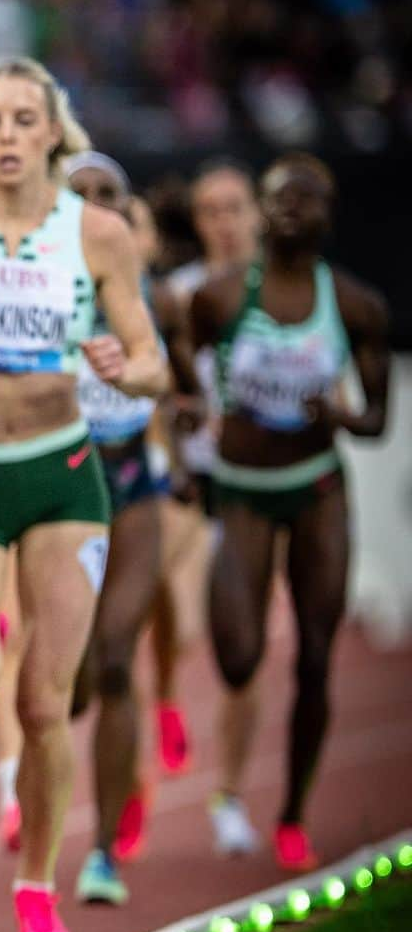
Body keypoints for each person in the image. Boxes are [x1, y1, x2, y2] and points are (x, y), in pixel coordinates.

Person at [0, 58, 167, 932]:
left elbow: (151, 359)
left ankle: (37, 885)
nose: (10, 136)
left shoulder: (96, 233)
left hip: (64, 476)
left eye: (27, 120)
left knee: (46, 701)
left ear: (53, 132)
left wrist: (125, 367)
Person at [191, 153, 390, 870]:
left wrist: (337, 412)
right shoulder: (218, 298)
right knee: (239, 659)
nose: (288, 211)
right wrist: (188, 407)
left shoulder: (357, 306)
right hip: (241, 489)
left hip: (316, 491)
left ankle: (295, 815)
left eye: (305, 201)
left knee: (312, 658)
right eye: (276, 199)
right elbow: (182, 357)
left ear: (327, 218)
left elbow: (376, 424)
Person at [65, 154, 199, 905]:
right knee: (71, 679)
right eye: (77, 196)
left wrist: (181, 444)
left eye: (107, 197)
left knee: (117, 663)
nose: (92, 208)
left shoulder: (156, 300)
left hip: (131, 485)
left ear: (127, 212)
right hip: (58, 485)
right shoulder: (38, 287)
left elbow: (181, 384)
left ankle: (103, 853)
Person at [155, 162, 263, 777]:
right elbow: (162, 388)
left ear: (257, 215)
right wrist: (186, 416)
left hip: (258, 488)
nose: (224, 223)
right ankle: (167, 695)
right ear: (197, 222)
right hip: (194, 480)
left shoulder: (285, 290)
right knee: (183, 618)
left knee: (240, 644)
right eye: (211, 211)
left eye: (234, 208)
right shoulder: (182, 294)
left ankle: (229, 793)